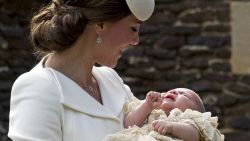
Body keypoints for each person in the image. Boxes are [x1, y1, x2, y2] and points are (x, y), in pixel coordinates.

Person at [8, 0, 155, 141]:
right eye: (133, 28)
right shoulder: (37, 88)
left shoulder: (111, 79)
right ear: (101, 24)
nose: (136, 40)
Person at [104, 88, 224, 141]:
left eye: (183, 94)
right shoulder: (150, 111)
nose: (174, 91)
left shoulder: (189, 118)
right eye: (171, 90)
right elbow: (127, 125)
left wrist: (172, 127)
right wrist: (147, 106)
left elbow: (194, 135)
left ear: (195, 110)